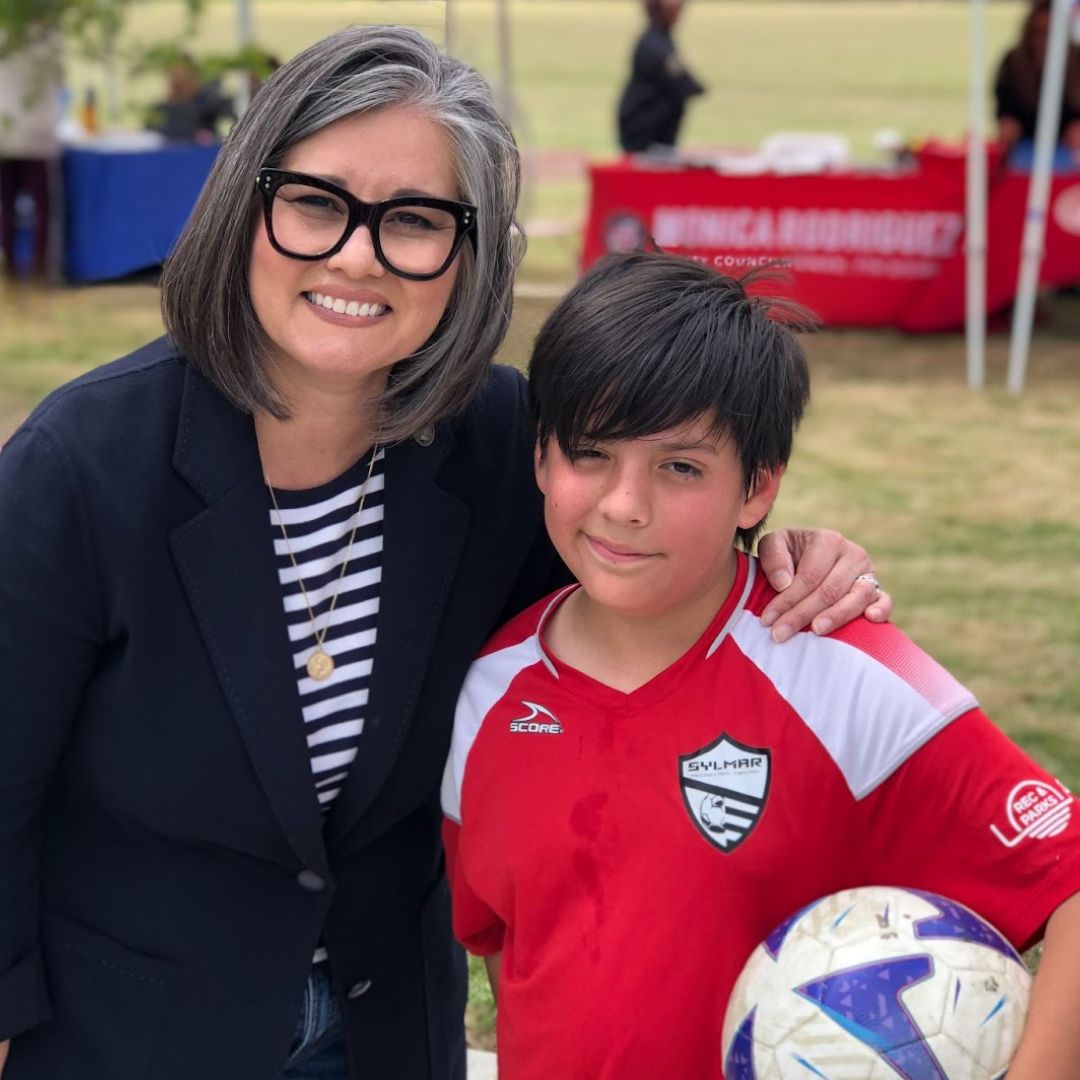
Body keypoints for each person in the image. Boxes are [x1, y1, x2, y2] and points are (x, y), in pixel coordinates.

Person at [0, 26, 891, 1080]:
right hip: (132, 1042)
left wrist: (777, 556)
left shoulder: (497, 443)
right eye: (316, 202)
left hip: (390, 1032)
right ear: (247, 204)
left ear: (468, 256)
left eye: (414, 221)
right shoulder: (83, 464)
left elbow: (636, 594)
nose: (357, 255)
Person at [441, 252, 1080, 1080]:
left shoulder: (842, 673)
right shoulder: (485, 695)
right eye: (590, 452)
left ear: (758, 488)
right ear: (540, 456)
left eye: (680, 466)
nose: (624, 503)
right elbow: (511, 947)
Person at [0, 21, 62, 281]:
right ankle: (39, 267)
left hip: (10, 135)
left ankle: (12, 266)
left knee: (8, 208)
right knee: (41, 210)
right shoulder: (48, 36)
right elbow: (59, 77)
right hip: (36, 137)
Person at [994, 0, 1080, 159]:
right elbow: (1004, 105)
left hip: (1070, 145)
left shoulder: (1076, 59)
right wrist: (1007, 124)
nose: (1044, 40)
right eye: (1038, 32)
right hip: (1025, 140)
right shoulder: (1013, 62)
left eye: (1050, 33)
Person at [617, 0, 704, 154]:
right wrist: (695, 87)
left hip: (653, 123)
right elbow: (679, 77)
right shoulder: (654, 43)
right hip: (644, 126)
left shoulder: (659, 37)